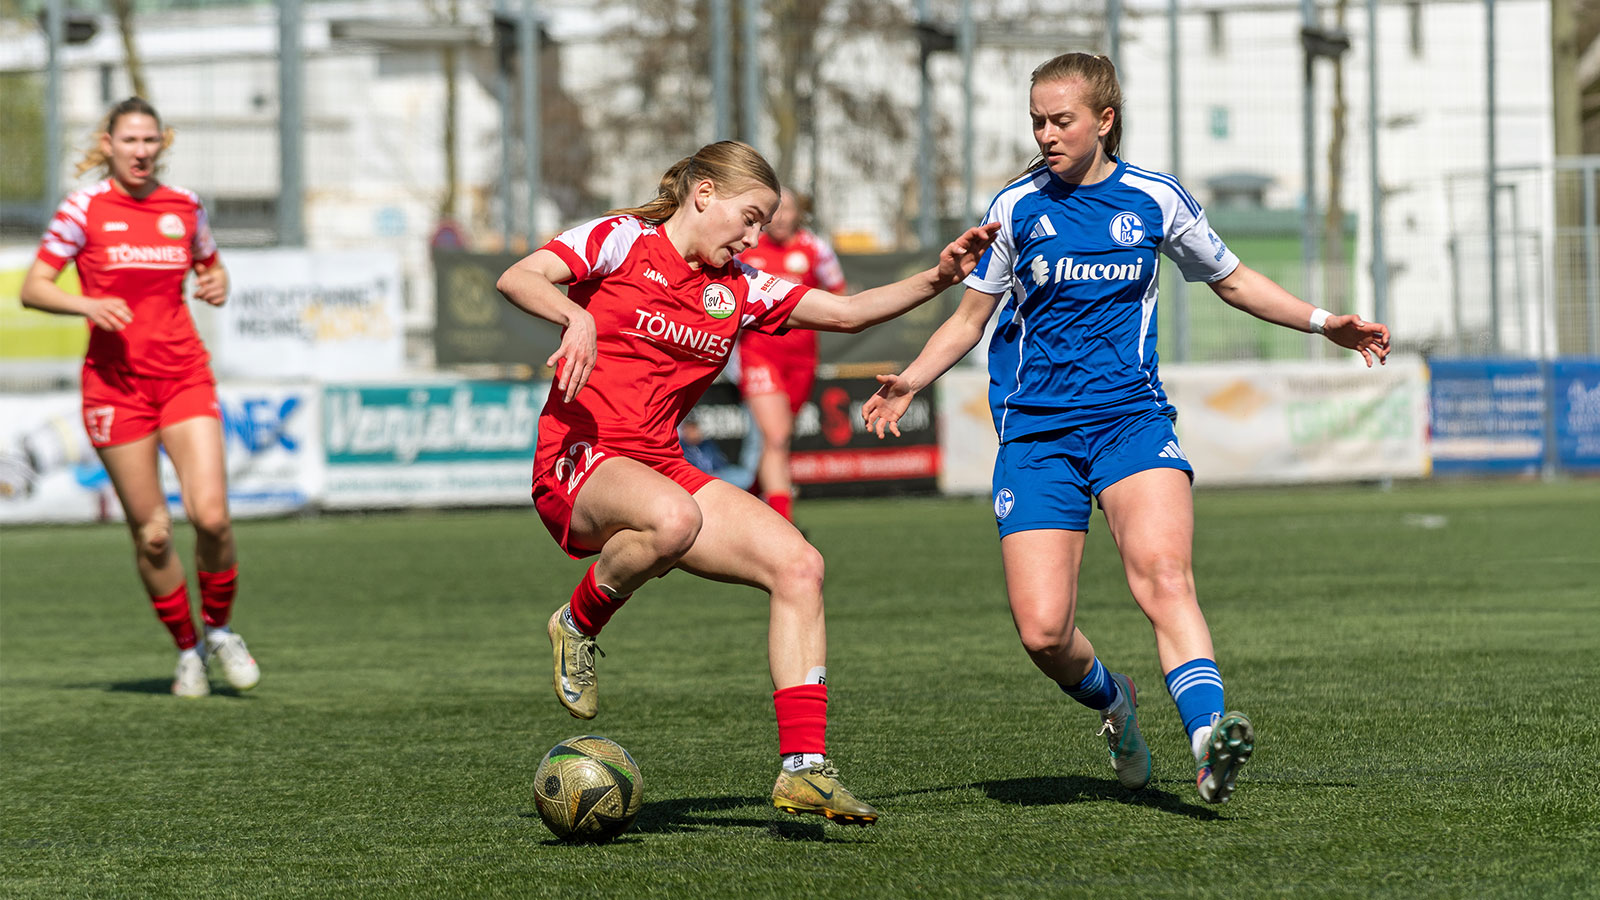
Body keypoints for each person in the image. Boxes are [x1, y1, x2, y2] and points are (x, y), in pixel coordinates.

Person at [861, 53, 1390, 805]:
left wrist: (1322, 322)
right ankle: (1116, 704)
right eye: (1037, 121)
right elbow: (970, 319)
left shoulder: (1155, 199)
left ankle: (1209, 743)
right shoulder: (1014, 207)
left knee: (1165, 578)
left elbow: (1232, 279)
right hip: (1038, 437)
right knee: (1044, 634)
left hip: (1131, 422)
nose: (1046, 133)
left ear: (1104, 120)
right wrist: (913, 377)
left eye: (1062, 120)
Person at [496, 140, 996, 826]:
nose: (756, 236)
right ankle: (579, 622)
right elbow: (520, 276)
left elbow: (847, 313)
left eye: (765, 222)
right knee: (673, 519)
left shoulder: (738, 288)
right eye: (750, 216)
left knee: (800, 565)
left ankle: (804, 771)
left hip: (660, 467)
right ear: (703, 193)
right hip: (578, 457)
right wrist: (573, 314)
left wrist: (939, 277)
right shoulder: (619, 240)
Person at [20, 97, 259, 699]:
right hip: (115, 390)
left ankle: (221, 630)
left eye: (151, 141)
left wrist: (216, 281)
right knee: (152, 533)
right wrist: (85, 303)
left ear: (162, 144)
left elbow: (212, 266)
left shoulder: (185, 206)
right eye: (129, 141)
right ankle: (186, 652)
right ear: (108, 144)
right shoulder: (83, 209)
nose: (141, 151)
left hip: (183, 377)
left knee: (211, 516)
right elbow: (34, 287)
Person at [734, 188, 847, 522]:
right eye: (774, 211)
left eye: (788, 210)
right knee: (777, 436)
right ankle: (784, 524)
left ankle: (751, 494)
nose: (780, 217)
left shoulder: (816, 249)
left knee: (779, 443)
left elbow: (840, 295)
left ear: (800, 213)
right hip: (758, 353)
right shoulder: (747, 247)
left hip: (802, 359)